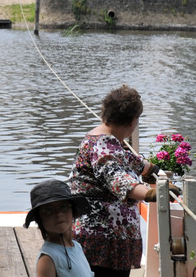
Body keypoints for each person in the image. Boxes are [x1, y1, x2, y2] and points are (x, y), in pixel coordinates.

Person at [68, 85, 180, 277]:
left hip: (106, 239)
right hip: (102, 241)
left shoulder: (101, 138)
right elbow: (119, 179)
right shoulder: (102, 147)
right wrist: (152, 193)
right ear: (132, 122)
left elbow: (126, 159)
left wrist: (150, 170)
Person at [24, 179, 93, 277]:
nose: (58, 214)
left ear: (72, 211)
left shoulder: (77, 246)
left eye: (64, 207)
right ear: (40, 219)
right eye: (49, 210)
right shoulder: (47, 259)